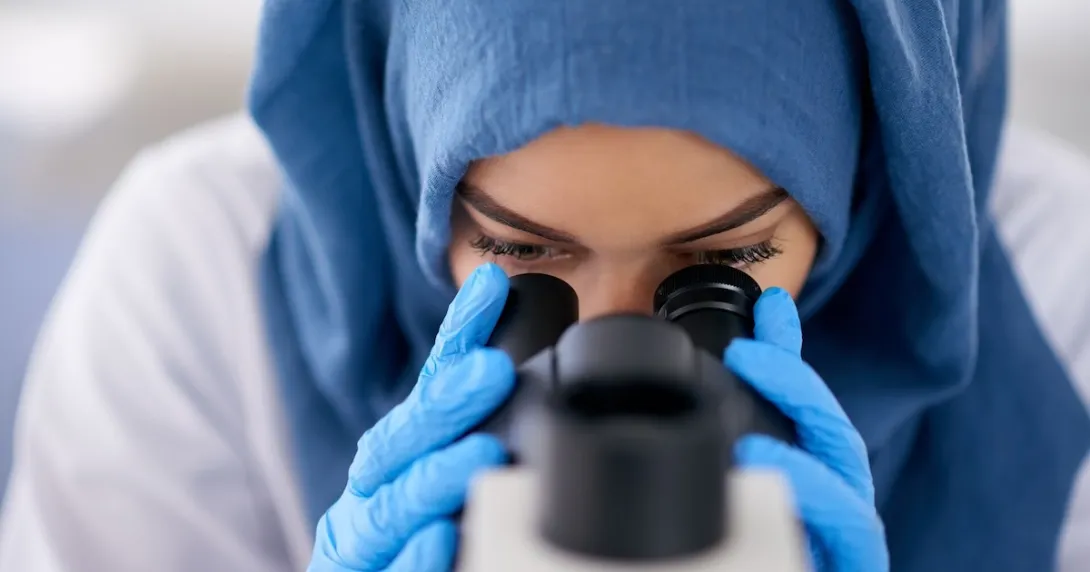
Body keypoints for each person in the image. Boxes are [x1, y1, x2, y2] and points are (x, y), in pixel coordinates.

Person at [2, 0, 1090, 570]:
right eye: (521, 258)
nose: (614, 363)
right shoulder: (195, 276)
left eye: (721, 268)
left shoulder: (1063, 285)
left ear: (868, 169)